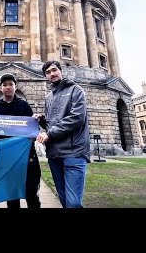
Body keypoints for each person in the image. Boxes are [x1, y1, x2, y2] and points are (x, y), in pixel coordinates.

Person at [34, 61, 90, 208]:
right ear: (46, 77)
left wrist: (49, 133)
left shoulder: (76, 90)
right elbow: (52, 124)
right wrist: (42, 121)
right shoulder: (49, 97)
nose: (52, 74)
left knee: (73, 203)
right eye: (48, 72)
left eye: (54, 70)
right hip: (55, 155)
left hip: (74, 152)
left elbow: (77, 118)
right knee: (64, 200)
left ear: (61, 71)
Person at [0, 73, 41, 209]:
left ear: (15, 87)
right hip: (8, 157)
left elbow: (33, 129)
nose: (8, 87)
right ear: (1, 88)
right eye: (5, 85)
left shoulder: (24, 105)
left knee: (32, 194)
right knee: (12, 195)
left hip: (26, 155)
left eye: (11, 85)